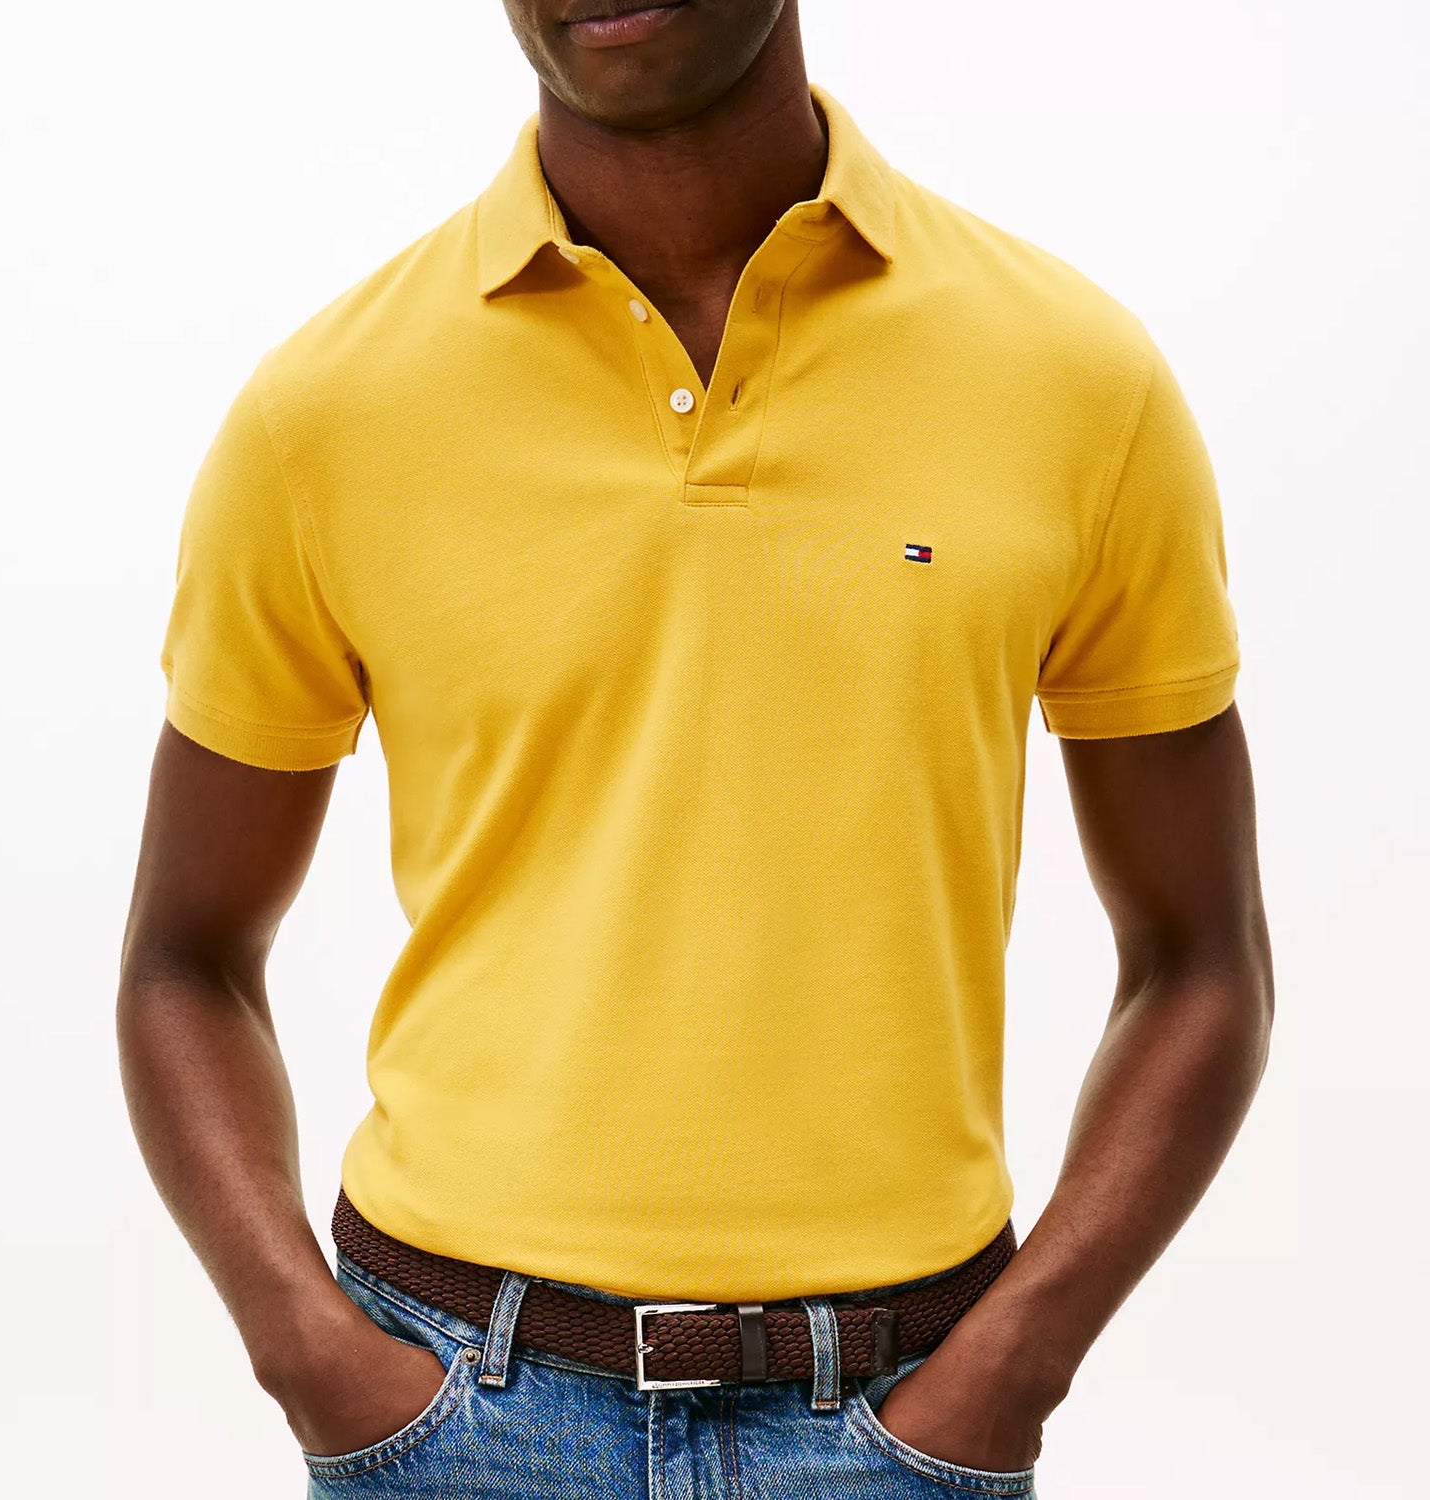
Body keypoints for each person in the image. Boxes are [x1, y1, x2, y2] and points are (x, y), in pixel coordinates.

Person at [117, 1, 1274, 1494]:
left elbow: (1203, 959)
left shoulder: (1074, 381)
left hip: (903, 1420)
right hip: (455, 1412)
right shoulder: (324, 414)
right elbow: (184, 961)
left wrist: (1015, 1368)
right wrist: (305, 1351)